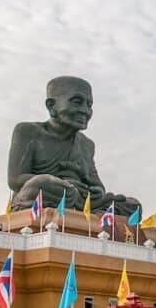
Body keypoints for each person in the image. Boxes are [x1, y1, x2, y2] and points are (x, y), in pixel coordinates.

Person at [7, 76, 141, 215]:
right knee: (42, 184)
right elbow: (15, 180)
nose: (85, 110)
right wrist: (60, 183)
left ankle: (84, 214)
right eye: (77, 102)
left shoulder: (86, 144)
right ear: (51, 105)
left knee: (132, 206)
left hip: (81, 199)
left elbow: (97, 185)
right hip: (48, 193)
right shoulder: (28, 131)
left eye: (89, 105)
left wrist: (96, 191)